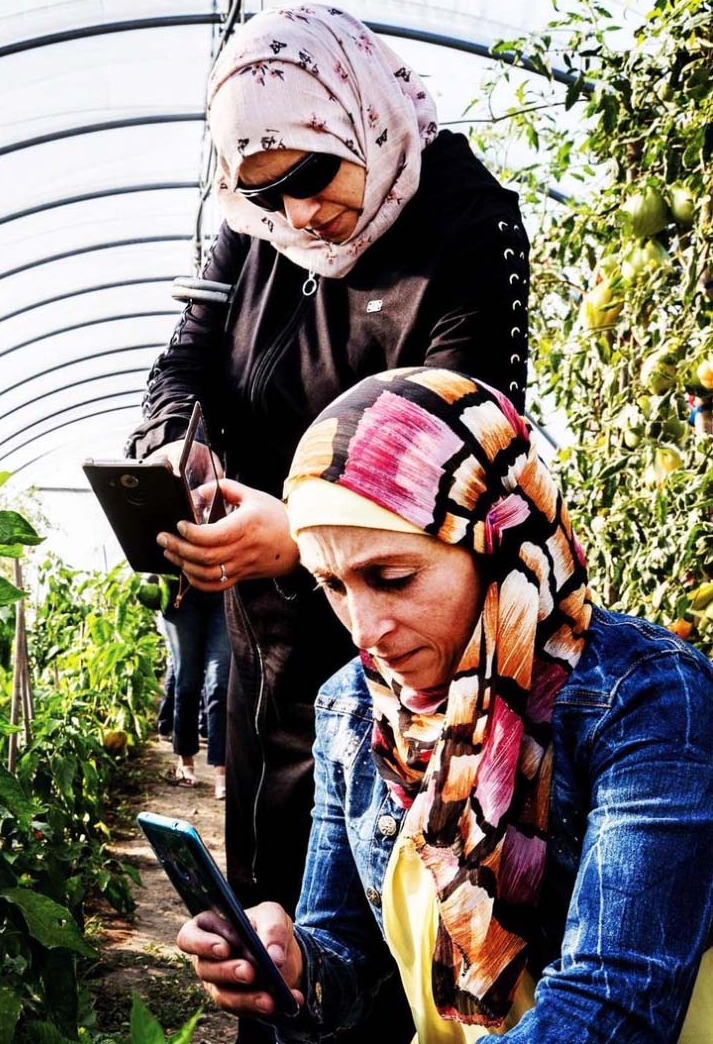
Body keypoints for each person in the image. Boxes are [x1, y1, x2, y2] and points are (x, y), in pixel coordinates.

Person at [127, 6, 530, 1033]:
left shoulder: (463, 222)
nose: (295, 214)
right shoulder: (256, 228)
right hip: (274, 645)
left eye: (313, 177)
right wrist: (180, 446)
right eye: (260, 193)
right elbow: (179, 368)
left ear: (362, 125)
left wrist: (305, 533)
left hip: (411, 656)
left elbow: (461, 446)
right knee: (279, 929)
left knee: (398, 929)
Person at [178, 368, 713, 1043]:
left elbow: (612, 1007)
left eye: (392, 577)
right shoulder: (354, 707)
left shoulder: (645, 696)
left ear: (498, 544)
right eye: (333, 586)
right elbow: (344, 954)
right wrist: (292, 966)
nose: (365, 629)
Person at [161, 585, 229, 798]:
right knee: (187, 681)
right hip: (180, 591)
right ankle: (185, 759)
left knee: (220, 683)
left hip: (224, 589)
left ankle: (223, 771)